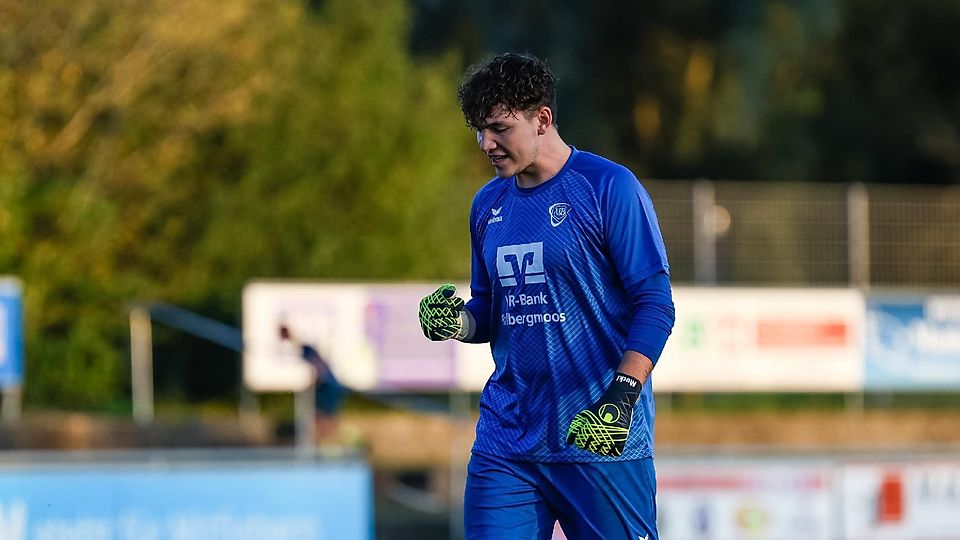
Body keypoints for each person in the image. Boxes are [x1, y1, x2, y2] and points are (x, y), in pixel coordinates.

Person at [418, 52, 675, 540]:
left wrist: (621, 397)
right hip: (507, 440)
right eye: (478, 130)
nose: (485, 143)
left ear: (542, 119)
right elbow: (489, 311)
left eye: (498, 128)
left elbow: (655, 304)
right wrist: (458, 323)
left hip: (598, 437)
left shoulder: (608, 188)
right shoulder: (486, 205)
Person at [279, 325, 345, 443]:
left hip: (329, 387)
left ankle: (329, 439)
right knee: (320, 415)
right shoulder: (303, 347)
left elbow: (319, 367)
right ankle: (326, 439)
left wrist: (315, 382)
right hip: (327, 387)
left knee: (322, 415)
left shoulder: (307, 350)